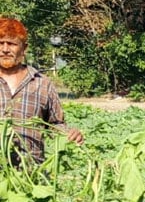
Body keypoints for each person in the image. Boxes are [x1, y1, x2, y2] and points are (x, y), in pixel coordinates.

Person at [0, 17, 83, 166]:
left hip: (32, 174)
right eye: (1, 43)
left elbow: (56, 124)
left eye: (11, 44)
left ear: (24, 48)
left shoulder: (42, 83)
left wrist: (69, 134)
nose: (5, 49)